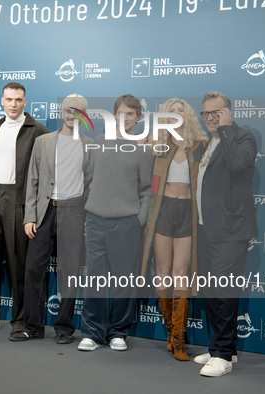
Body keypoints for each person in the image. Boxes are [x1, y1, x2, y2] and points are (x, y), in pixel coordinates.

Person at [0, 82, 49, 339]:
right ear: (2, 101)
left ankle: (20, 319)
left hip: (19, 200)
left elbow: (46, 173)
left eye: (18, 100)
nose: (13, 104)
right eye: (9, 99)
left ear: (25, 102)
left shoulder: (38, 130)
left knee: (18, 265)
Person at [10, 94, 92, 344]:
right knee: (34, 269)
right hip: (44, 213)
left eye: (78, 110)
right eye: (68, 109)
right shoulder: (43, 142)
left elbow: (91, 182)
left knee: (69, 272)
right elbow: (32, 181)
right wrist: (29, 217)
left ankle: (64, 327)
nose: (71, 114)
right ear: (61, 111)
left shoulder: (91, 145)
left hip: (74, 212)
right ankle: (32, 326)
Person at [78, 95, 154, 352]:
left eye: (130, 114)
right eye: (120, 114)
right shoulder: (99, 143)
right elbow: (88, 177)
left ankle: (118, 332)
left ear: (138, 117)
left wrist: (138, 219)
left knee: (124, 281)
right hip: (96, 220)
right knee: (95, 280)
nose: (125, 119)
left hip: (126, 224)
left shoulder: (144, 150)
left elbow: (146, 191)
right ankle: (92, 332)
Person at [194, 92, 258, 377]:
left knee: (224, 291)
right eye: (205, 113)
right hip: (207, 229)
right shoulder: (212, 142)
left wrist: (226, 129)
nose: (209, 118)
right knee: (210, 291)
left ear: (228, 113)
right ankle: (223, 349)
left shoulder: (242, 138)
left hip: (231, 231)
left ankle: (221, 354)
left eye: (215, 113)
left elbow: (236, 164)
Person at [141, 98, 208, 361]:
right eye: (171, 111)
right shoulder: (156, 145)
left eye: (181, 110)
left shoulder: (200, 146)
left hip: (188, 214)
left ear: (187, 116)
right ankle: (171, 331)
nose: (177, 114)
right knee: (163, 271)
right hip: (163, 212)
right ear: (165, 117)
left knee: (182, 274)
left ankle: (179, 340)